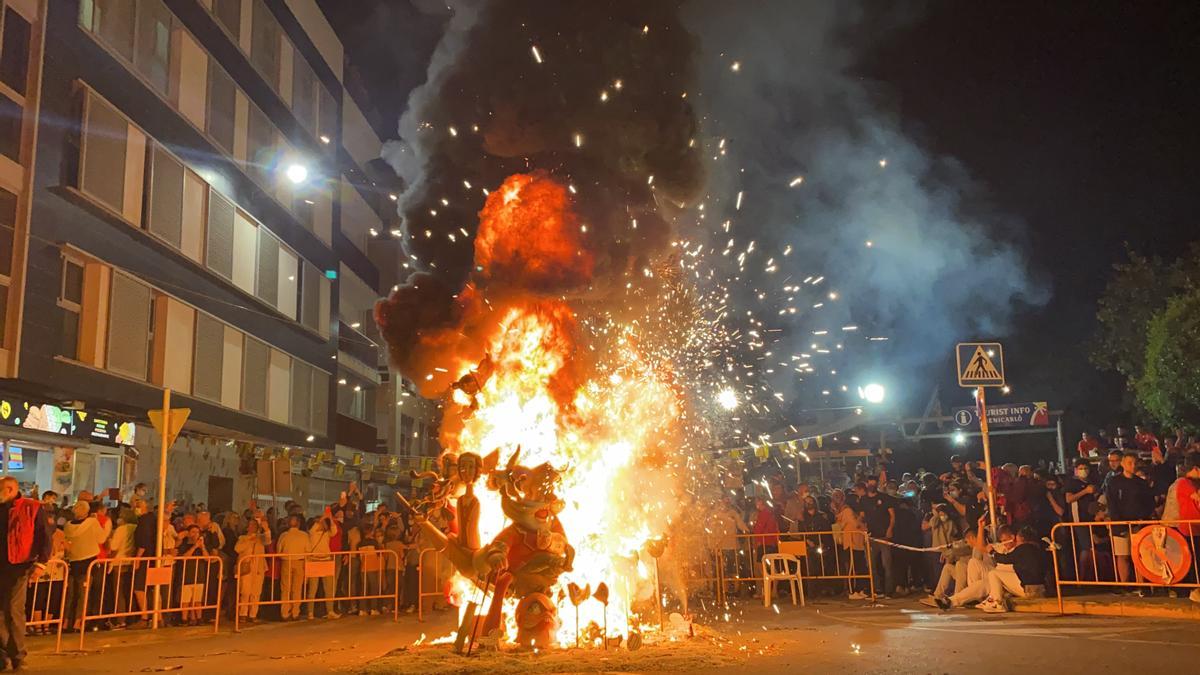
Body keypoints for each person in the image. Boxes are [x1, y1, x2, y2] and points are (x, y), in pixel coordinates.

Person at [0, 477, 51, 670]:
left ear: (10, 489)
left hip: (20, 566)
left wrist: (40, 564)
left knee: (14, 610)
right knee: (1, 612)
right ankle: (4, 654)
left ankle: (18, 655)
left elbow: (44, 537)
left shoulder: (32, 508)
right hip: (3, 565)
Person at [1105, 451, 1155, 587]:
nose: (1133, 466)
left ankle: (1142, 585)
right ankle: (1125, 585)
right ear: (1123, 464)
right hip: (1120, 524)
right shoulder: (1113, 482)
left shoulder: (1141, 483)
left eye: (1134, 463)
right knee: (1122, 555)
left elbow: (1149, 503)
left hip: (1138, 523)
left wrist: (1142, 518)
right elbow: (1111, 504)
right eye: (1129, 463)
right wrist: (1118, 524)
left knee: (1139, 555)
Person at [63, 501, 111, 631]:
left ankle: (65, 621)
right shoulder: (92, 523)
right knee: (83, 594)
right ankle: (78, 622)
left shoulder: (68, 525)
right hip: (88, 561)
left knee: (70, 594)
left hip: (73, 561)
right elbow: (101, 539)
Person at [975, 526, 1046, 613]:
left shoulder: (1023, 548)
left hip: (1030, 589)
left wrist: (992, 552)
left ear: (1022, 538)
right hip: (1042, 589)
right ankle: (992, 599)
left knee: (993, 573)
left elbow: (1005, 559)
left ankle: (997, 603)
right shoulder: (1038, 549)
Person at [858, 476, 896, 597]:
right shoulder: (863, 500)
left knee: (887, 565)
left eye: (874, 483)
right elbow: (862, 516)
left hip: (884, 536)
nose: (872, 485)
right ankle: (877, 589)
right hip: (871, 536)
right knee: (871, 565)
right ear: (867, 484)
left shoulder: (884, 498)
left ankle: (889, 590)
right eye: (870, 483)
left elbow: (892, 516)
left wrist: (890, 529)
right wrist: (861, 525)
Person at [234, 513, 271, 623]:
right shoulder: (243, 538)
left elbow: (268, 539)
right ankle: (243, 613)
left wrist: (266, 528)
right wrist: (249, 541)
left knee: (256, 592)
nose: (252, 527)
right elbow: (237, 549)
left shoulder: (261, 538)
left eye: (254, 525)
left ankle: (253, 614)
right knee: (245, 591)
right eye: (250, 525)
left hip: (259, 566)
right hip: (246, 566)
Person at [305, 511, 340, 619]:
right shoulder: (312, 532)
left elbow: (334, 530)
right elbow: (315, 527)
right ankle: (310, 612)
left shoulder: (327, 533)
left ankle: (330, 610)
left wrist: (329, 518)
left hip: (326, 560)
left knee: (328, 588)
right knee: (313, 588)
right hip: (314, 560)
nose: (325, 525)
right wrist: (321, 519)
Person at [276, 515, 308, 621]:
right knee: (297, 588)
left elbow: (278, 550)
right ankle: (295, 612)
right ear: (299, 524)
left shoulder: (284, 535)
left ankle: (284, 612)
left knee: (285, 588)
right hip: (300, 562)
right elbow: (309, 550)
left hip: (286, 562)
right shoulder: (304, 535)